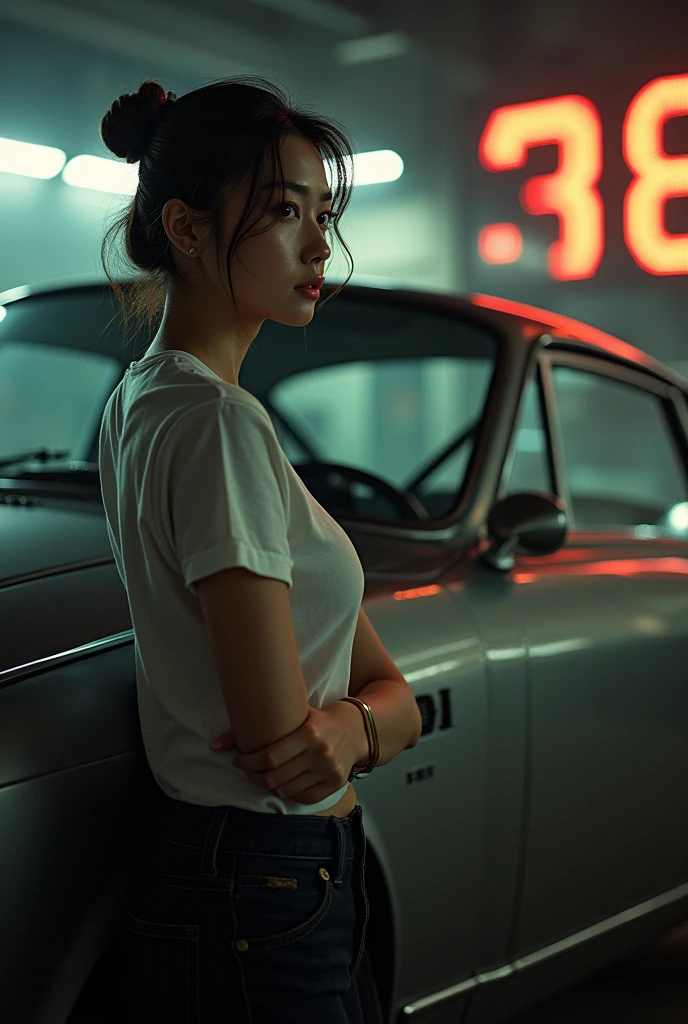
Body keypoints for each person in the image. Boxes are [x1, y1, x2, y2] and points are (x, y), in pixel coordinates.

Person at [97, 76, 421, 1023]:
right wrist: (367, 725)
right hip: (269, 878)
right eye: (284, 212)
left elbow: (384, 700)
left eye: (323, 213)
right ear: (187, 229)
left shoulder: (141, 400)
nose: (320, 245)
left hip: (243, 876)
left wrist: (357, 727)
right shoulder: (215, 423)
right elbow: (285, 748)